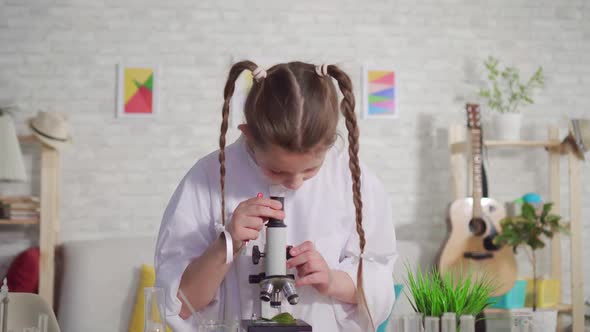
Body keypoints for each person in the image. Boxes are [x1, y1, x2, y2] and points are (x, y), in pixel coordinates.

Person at [155, 61, 397, 331]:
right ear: (248, 135)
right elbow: (179, 304)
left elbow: (380, 286)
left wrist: (331, 280)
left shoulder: (355, 181)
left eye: (310, 170)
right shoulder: (206, 179)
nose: (294, 184)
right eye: (276, 170)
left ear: (330, 142)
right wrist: (228, 242)